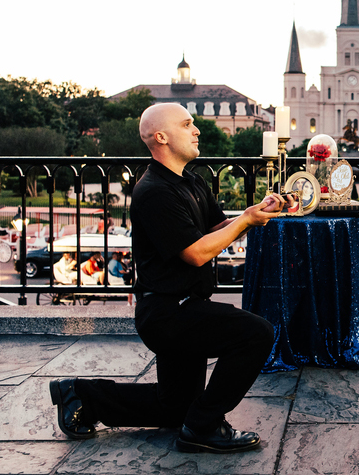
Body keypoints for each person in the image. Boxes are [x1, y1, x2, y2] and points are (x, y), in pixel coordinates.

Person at [49, 102, 285, 454]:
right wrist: (245, 223)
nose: (197, 130)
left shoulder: (190, 179)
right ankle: (203, 427)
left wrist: (251, 214)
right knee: (256, 334)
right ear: (161, 137)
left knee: (174, 407)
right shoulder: (154, 191)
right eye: (187, 124)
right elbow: (196, 252)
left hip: (186, 306)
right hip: (167, 313)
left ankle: (81, 395)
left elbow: (214, 229)